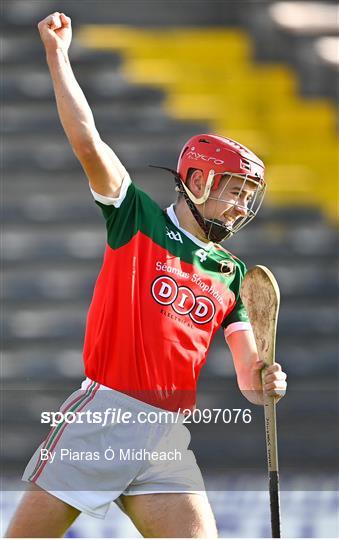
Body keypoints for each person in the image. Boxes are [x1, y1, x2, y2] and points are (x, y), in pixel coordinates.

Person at [5, 12, 287, 539]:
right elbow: (87, 141)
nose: (241, 206)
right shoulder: (136, 218)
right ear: (198, 180)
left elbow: (250, 376)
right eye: (234, 190)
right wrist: (57, 55)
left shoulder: (233, 274)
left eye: (249, 196)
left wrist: (266, 381)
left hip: (164, 437)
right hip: (101, 420)